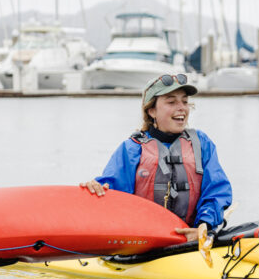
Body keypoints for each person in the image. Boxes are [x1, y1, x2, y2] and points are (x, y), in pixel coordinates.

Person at [80, 74, 232, 242]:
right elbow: (111, 192)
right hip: (144, 241)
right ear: (152, 110)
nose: (181, 107)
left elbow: (217, 190)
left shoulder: (201, 144)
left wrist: (204, 226)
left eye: (184, 101)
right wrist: (95, 188)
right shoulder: (132, 149)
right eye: (171, 102)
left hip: (192, 238)